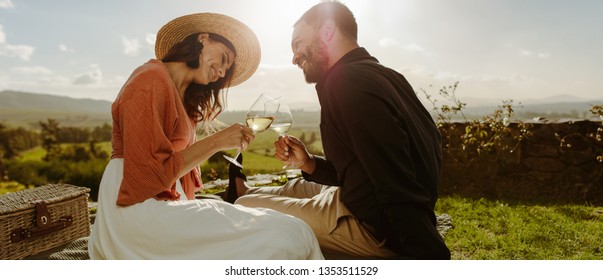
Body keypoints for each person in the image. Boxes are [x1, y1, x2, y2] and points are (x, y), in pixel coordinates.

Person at [88, 13, 324, 260]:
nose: (222, 72)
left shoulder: (184, 96)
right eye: (223, 58)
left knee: (294, 230)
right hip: (134, 208)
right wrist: (218, 141)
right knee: (285, 239)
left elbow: (174, 169)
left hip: (164, 200)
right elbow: (150, 176)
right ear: (203, 39)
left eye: (227, 68)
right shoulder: (150, 79)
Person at [230, 2, 451, 259]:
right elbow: (364, 166)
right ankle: (243, 188)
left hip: (372, 229)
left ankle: (242, 195)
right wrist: (310, 163)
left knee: (242, 207)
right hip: (358, 200)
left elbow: (395, 179)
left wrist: (430, 257)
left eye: (298, 43)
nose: (294, 57)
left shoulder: (346, 83)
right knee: (295, 187)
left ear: (326, 31)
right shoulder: (386, 75)